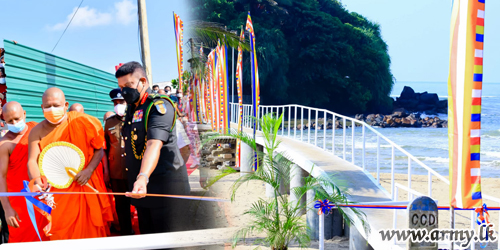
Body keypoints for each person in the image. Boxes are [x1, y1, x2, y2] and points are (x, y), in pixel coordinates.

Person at [26, 87, 113, 240]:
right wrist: (38, 183)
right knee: (61, 234)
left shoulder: (83, 122)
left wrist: (88, 171)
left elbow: (99, 151)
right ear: (42, 107)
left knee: (90, 234)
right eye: (47, 106)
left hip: (84, 184)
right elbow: (32, 160)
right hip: (58, 191)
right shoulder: (37, 131)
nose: (52, 109)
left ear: (66, 106)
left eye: (56, 105)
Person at [115, 61, 190, 234]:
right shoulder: (133, 109)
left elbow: (153, 144)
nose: (124, 91)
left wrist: (143, 177)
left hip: (164, 190)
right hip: (143, 191)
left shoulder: (158, 106)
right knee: (149, 239)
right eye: (121, 87)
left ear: (143, 81)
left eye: (128, 85)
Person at [0, 102, 48, 242]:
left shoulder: (36, 128)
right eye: (10, 121)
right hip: (22, 201)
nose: (15, 123)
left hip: (44, 194)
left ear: (24, 114)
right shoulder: (4, 144)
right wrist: (7, 208)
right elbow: (1, 177)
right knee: (24, 239)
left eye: (17, 118)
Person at [103, 88, 133, 235]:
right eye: (115, 102)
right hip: (116, 172)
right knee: (121, 207)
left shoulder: (135, 118)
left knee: (140, 204)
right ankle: (126, 233)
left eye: (121, 101)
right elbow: (105, 148)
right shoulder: (109, 122)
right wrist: (107, 172)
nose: (118, 104)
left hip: (135, 171)